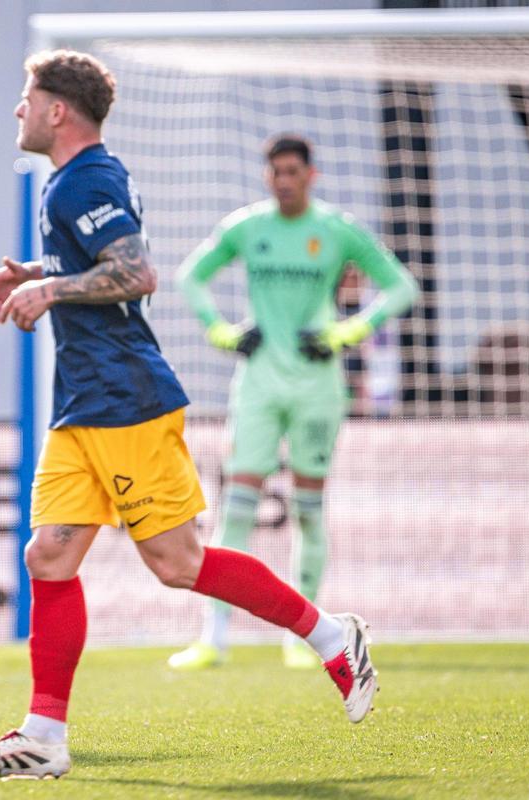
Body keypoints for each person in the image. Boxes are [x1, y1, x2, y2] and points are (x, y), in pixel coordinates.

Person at [0, 51, 377, 780]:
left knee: (178, 565)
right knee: (48, 556)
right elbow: (106, 268)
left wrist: (51, 292)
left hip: (126, 402)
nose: (17, 110)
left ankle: (331, 636)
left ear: (58, 110)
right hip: (83, 405)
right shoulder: (69, 181)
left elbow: (135, 272)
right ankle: (43, 736)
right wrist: (41, 272)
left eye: (27, 97)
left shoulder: (88, 177)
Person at [167, 134, 419, 671]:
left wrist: (349, 332)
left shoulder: (336, 230)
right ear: (268, 177)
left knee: (308, 508)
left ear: (310, 176)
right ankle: (213, 636)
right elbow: (191, 276)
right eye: (275, 172)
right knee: (237, 506)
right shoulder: (247, 227)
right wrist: (221, 332)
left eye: (292, 172)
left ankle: (304, 637)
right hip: (258, 382)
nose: (284, 181)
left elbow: (400, 287)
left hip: (317, 386)